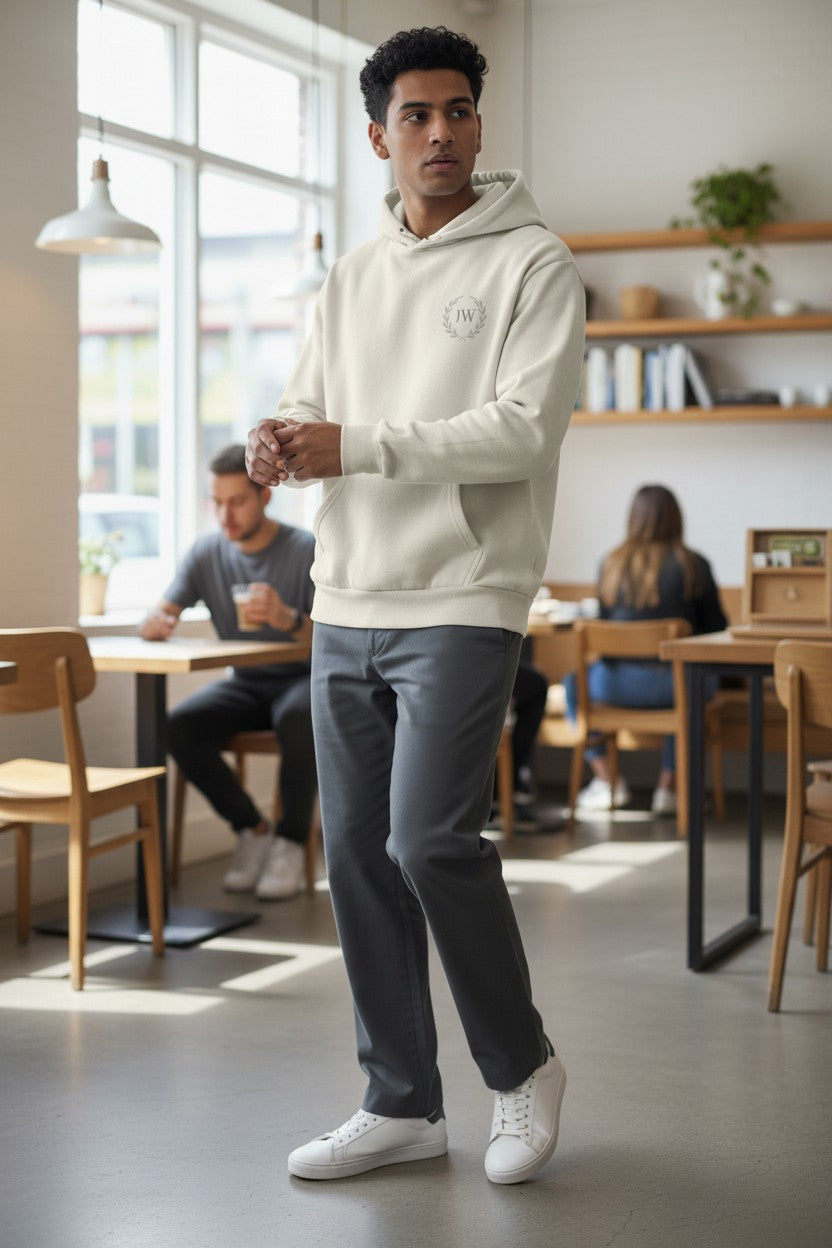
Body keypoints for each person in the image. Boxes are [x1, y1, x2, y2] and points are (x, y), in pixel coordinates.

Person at [246, 27, 585, 1184]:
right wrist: (284, 438)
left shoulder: (534, 263)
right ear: (377, 135)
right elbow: (310, 402)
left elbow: (520, 432)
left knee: (430, 840)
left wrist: (355, 444)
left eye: (457, 111)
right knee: (356, 857)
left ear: (477, 123)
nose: (439, 132)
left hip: (464, 592)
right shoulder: (350, 275)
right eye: (415, 115)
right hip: (346, 594)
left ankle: (522, 1068)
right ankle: (401, 1103)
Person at [139, 443, 317, 900]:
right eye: (217, 503)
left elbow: (335, 642)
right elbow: (161, 611)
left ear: (264, 496)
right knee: (178, 726)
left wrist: (288, 619)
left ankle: (291, 842)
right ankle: (252, 829)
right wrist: (155, 623)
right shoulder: (206, 553)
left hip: (301, 679)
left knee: (303, 717)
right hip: (245, 684)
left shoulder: (305, 550)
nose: (225, 516)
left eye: (236, 502)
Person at [565, 483, 727, 815]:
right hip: (675, 686)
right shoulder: (694, 565)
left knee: (572, 683)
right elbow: (717, 629)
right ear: (676, 519)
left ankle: (607, 780)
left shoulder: (611, 564)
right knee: (693, 683)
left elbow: (604, 622)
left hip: (615, 686)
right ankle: (669, 788)